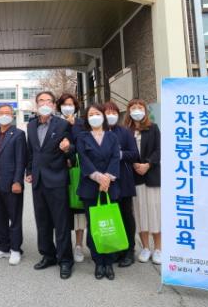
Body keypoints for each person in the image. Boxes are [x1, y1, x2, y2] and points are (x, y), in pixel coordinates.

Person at [26, 91, 74, 279]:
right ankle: (48, 255)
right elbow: (31, 152)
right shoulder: (31, 125)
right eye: (41, 101)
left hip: (57, 179)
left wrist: (68, 148)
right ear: (36, 104)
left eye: (48, 101)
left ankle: (65, 260)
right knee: (42, 222)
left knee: (61, 222)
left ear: (54, 105)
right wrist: (29, 171)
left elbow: (73, 150)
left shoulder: (62, 124)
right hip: (38, 180)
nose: (44, 104)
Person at [75, 104, 121, 280]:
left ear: (103, 116)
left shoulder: (112, 136)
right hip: (90, 186)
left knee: (109, 223)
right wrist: (98, 177)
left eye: (97, 113)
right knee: (94, 224)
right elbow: (83, 159)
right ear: (87, 119)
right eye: (91, 114)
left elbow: (115, 157)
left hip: (110, 186)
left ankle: (109, 262)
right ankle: (98, 262)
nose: (94, 116)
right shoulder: (82, 137)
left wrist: (107, 178)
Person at [0, 104, 27, 266]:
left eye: (7, 113)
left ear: (12, 115)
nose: (4, 115)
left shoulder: (18, 134)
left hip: (11, 183)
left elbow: (21, 160)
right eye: (1, 113)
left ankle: (15, 249)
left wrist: (17, 181)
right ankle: (3, 246)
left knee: (14, 217)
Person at [124, 98, 162, 265]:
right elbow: (124, 151)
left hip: (152, 176)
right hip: (134, 177)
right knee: (140, 213)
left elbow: (159, 149)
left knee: (155, 212)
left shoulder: (153, 128)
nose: (137, 110)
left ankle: (158, 249)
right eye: (133, 108)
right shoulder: (126, 131)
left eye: (140, 107)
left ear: (145, 111)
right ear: (129, 111)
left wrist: (148, 164)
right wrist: (134, 164)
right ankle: (145, 248)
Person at [103, 101, 140, 268]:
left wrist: (119, 154)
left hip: (123, 179)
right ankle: (116, 249)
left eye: (114, 112)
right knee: (111, 216)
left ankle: (129, 250)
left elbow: (134, 154)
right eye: (107, 112)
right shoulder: (97, 131)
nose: (111, 115)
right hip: (105, 181)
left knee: (126, 215)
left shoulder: (125, 132)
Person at [56, 93, 86, 263]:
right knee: (62, 210)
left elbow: (83, 143)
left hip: (77, 170)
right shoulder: (55, 122)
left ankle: (79, 245)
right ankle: (64, 245)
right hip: (59, 171)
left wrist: (74, 126)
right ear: (59, 106)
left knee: (78, 208)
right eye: (64, 104)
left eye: (71, 104)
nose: (68, 107)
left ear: (75, 107)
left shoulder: (81, 123)